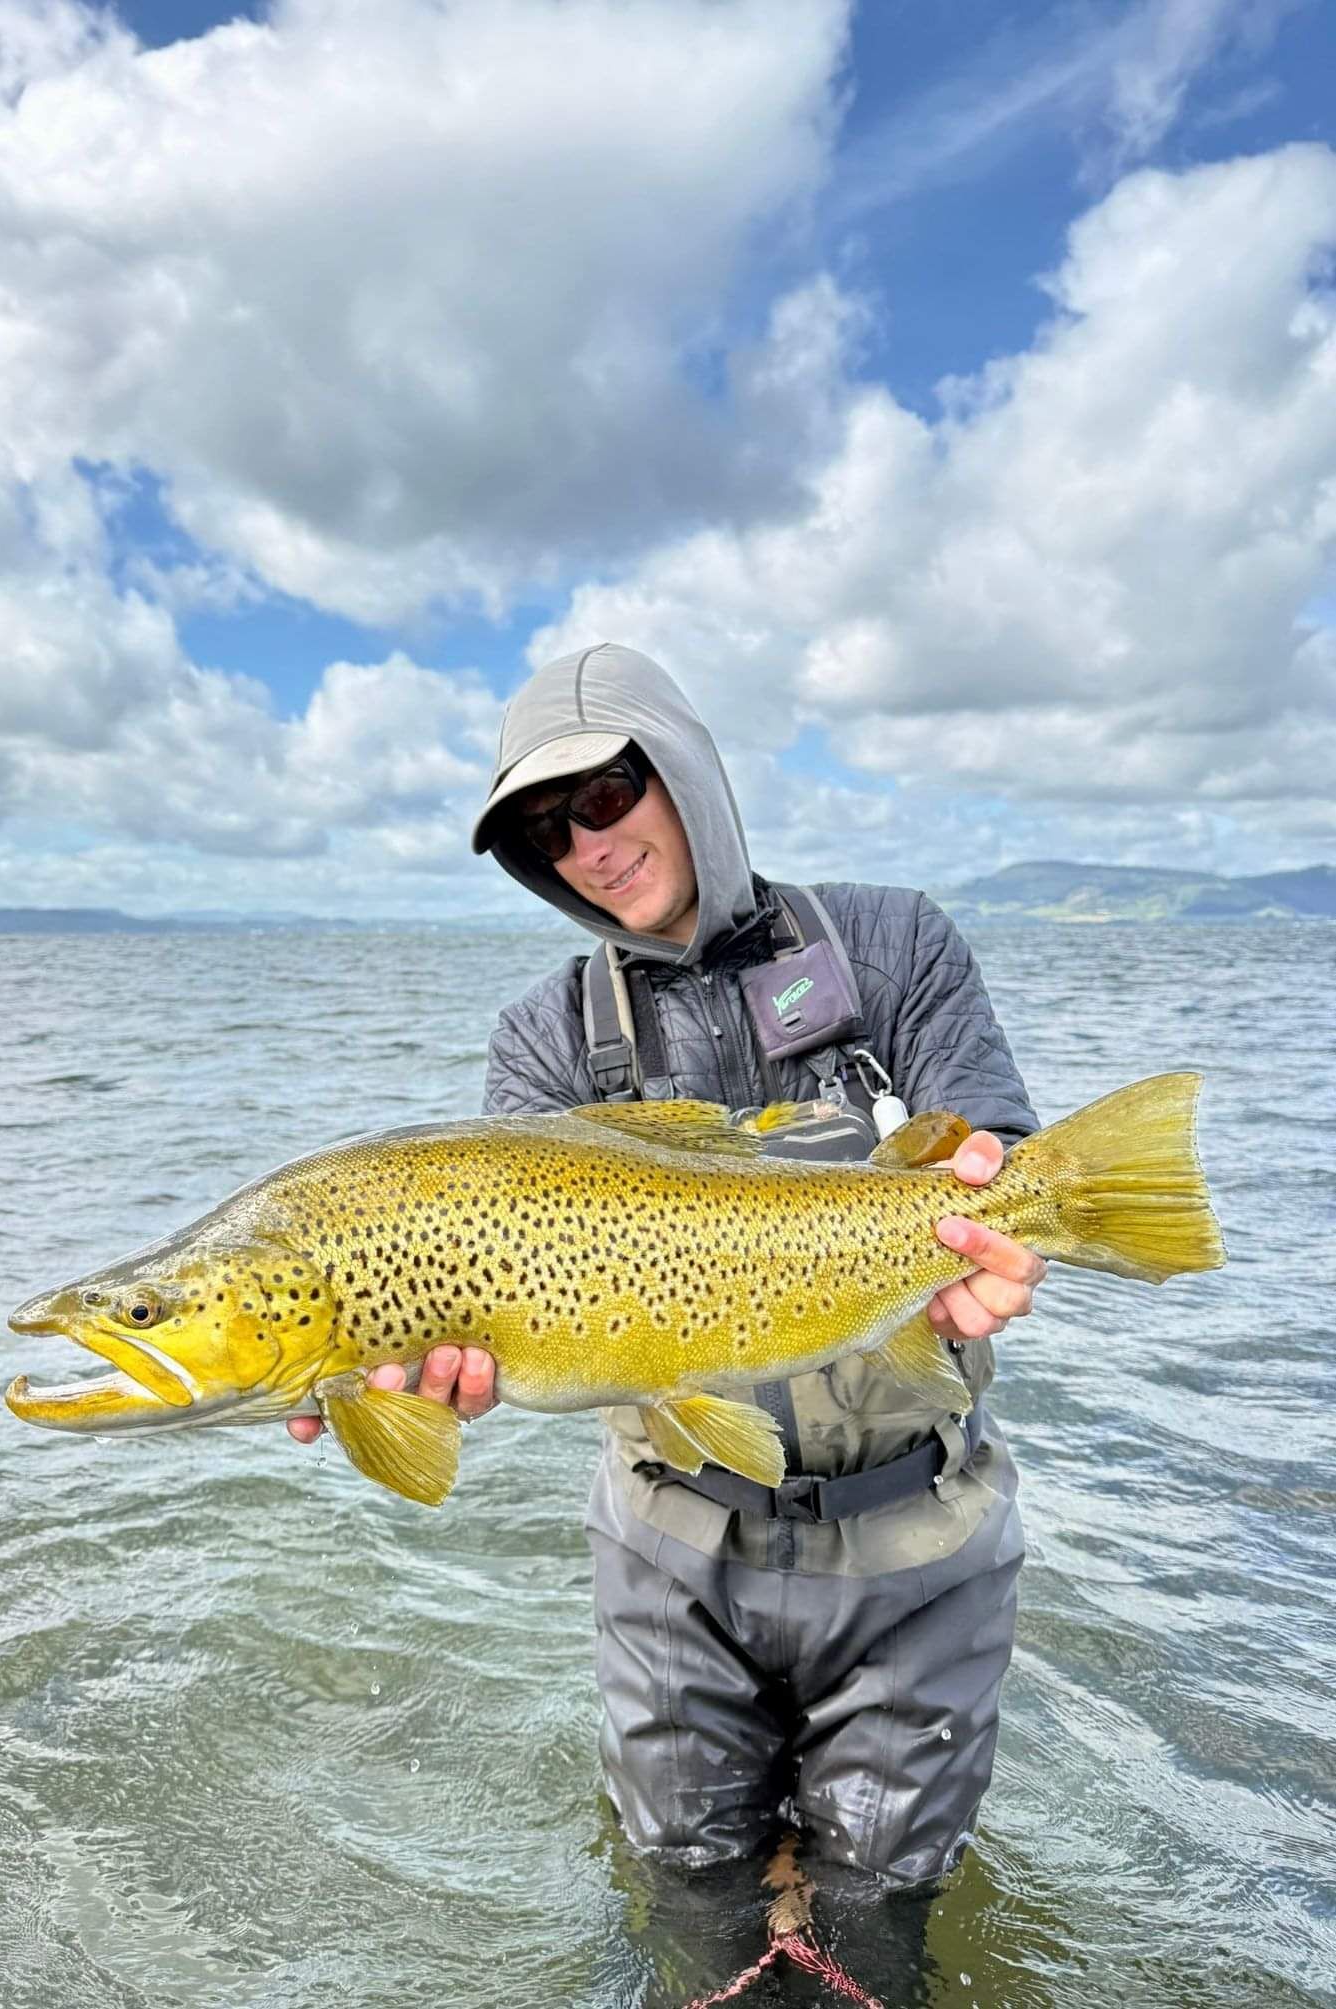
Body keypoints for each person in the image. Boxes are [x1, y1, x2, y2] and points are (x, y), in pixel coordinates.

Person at [290, 642, 1044, 1889]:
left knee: (885, 1904)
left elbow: (992, 1139)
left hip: (921, 1537)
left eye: (604, 794)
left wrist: (998, 1228)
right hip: (671, 1550)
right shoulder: (544, 1041)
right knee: (685, 1892)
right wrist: (424, 1380)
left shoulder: (890, 940)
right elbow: (485, 1274)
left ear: (685, 773)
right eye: (543, 831)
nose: (587, 843)